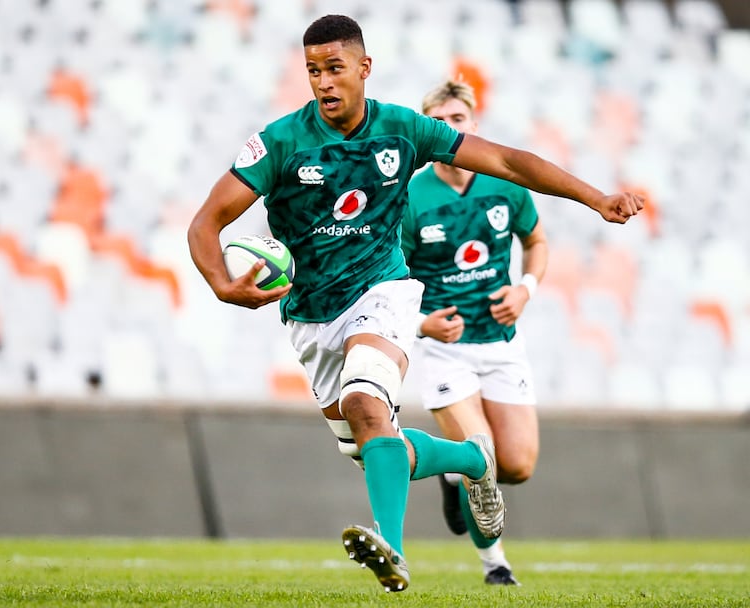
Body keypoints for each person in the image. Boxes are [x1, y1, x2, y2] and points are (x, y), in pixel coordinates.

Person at [187, 14, 643, 593]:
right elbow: (206, 222)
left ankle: (393, 553)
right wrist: (221, 284)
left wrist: (594, 197)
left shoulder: (404, 130)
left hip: (384, 292)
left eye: (334, 68)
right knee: (378, 447)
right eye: (312, 71)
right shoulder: (279, 141)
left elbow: (505, 162)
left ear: (364, 68)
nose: (324, 83)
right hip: (310, 313)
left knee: (366, 399)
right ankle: (473, 462)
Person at [402, 80, 547, 586]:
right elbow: (386, 278)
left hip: (502, 343)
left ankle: (447, 470)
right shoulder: (410, 195)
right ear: (426, 130)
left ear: (473, 125)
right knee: (482, 458)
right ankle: (496, 565)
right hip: (445, 350)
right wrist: (421, 323)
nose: (450, 128)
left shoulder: (504, 182)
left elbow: (536, 239)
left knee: (518, 465)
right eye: (438, 121)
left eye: (458, 119)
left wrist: (525, 288)